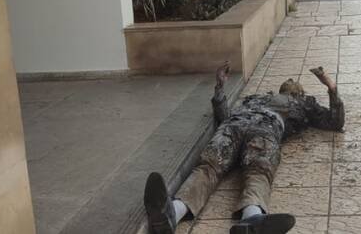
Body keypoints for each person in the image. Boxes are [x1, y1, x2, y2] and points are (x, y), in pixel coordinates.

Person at [143, 63, 345, 234]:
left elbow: (334, 121)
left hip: (256, 130)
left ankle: (251, 219)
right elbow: (224, 115)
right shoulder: (259, 98)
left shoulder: (304, 103)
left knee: (247, 170)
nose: (291, 81)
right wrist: (220, 88)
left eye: (293, 83)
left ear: (299, 92)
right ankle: (172, 213)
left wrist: (331, 87)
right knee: (217, 166)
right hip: (238, 127)